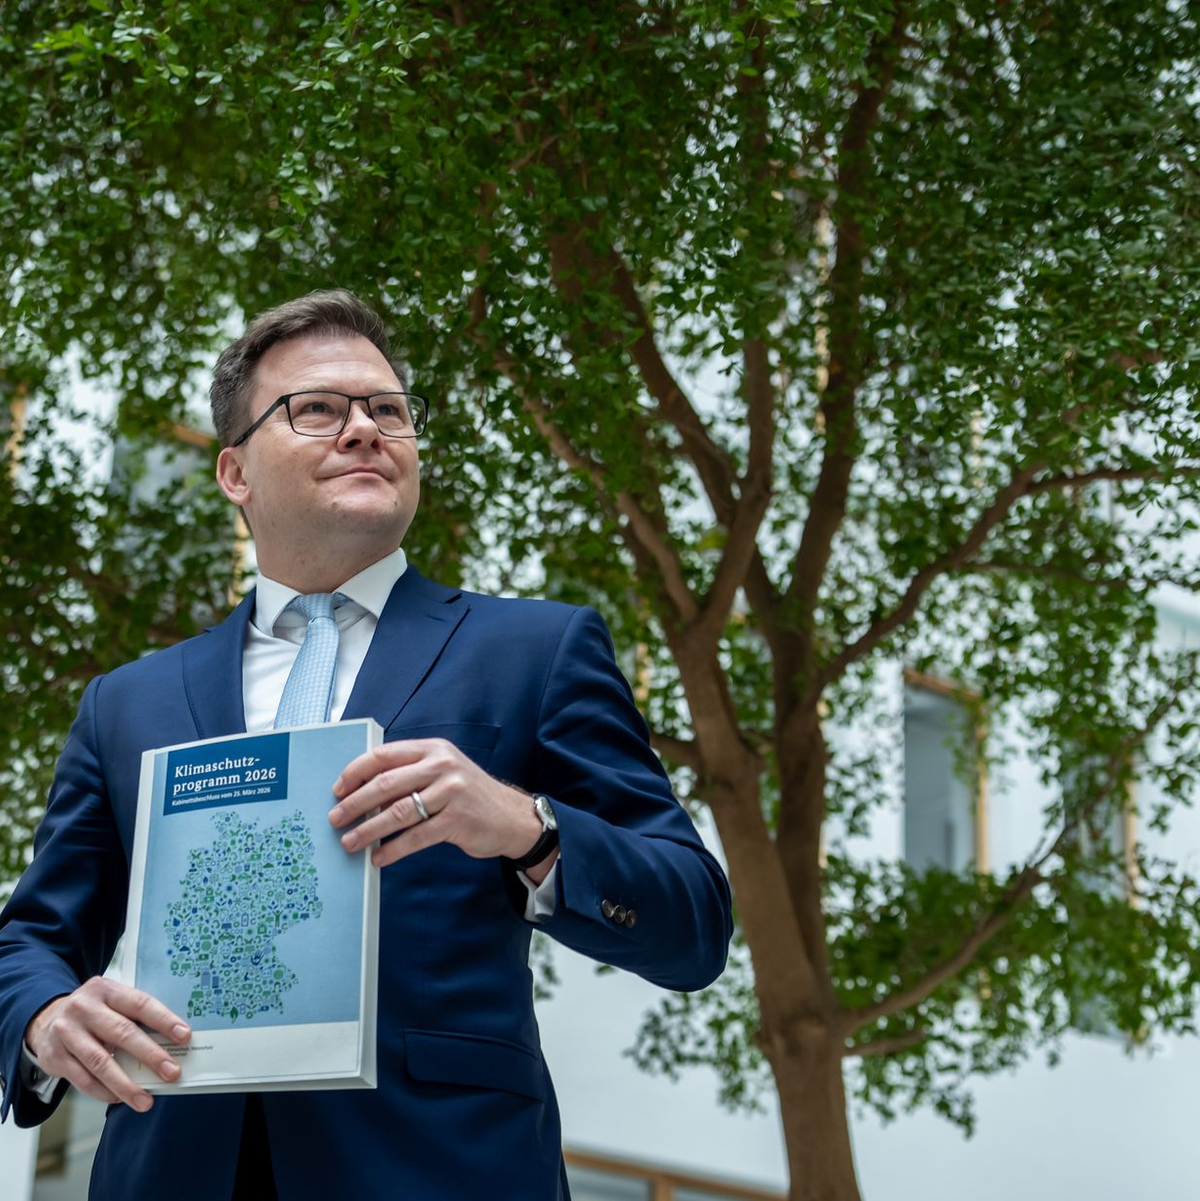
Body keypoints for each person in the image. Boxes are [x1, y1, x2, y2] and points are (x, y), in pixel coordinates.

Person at [0, 290, 733, 1200]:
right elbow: (31, 937)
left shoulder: (536, 652)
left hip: (440, 1168)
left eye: (388, 409)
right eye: (317, 409)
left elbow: (694, 922)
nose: (364, 429)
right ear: (235, 472)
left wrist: (527, 826)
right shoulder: (126, 703)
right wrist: (41, 1018)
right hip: (171, 1168)